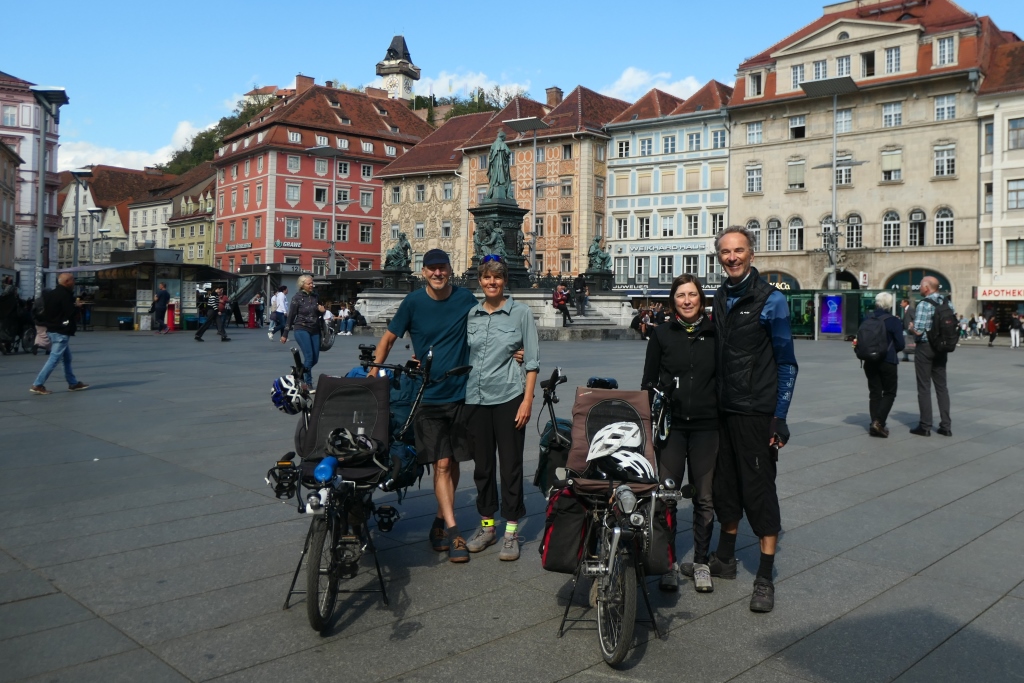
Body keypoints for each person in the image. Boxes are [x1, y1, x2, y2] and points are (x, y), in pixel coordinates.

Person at [687, 225, 797, 614]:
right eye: (725, 252)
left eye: (739, 250)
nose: (732, 257)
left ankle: (765, 577)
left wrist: (778, 418)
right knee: (726, 488)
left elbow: (787, 363)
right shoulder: (719, 297)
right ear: (719, 257)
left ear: (752, 254)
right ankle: (725, 559)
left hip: (755, 413)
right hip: (722, 412)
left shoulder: (770, 300)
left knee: (760, 492)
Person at [368, 249, 479, 563]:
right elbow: (389, 338)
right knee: (442, 464)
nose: (437, 274)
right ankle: (455, 530)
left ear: (449, 269)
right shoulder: (413, 302)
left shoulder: (466, 299)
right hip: (427, 396)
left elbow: (488, 328)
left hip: (461, 393)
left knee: (454, 462)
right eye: (431, 269)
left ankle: (441, 519)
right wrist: (374, 372)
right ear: (423, 272)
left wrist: (517, 350)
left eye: (441, 268)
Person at [642, 274, 718, 594]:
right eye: (680, 295)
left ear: (701, 298)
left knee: (704, 497)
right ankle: (668, 562)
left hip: (707, 426)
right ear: (673, 300)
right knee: (668, 496)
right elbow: (648, 381)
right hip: (671, 427)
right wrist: (651, 421)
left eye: (692, 295)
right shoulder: (662, 334)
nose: (687, 301)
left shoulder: (716, 333)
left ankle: (701, 562)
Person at [462, 255, 539, 562]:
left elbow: (531, 360)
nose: (491, 282)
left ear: (505, 280)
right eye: (486, 277)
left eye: (497, 277)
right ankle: (486, 526)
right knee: (482, 469)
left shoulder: (520, 313)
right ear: (480, 281)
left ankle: (510, 531)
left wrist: (527, 400)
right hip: (475, 399)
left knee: (510, 466)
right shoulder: (473, 314)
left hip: (509, 397)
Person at [907, 276, 952, 437]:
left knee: (924, 387)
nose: (919, 288)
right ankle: (946, 426)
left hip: (925, 348)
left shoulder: (924, 304)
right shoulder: (947, 303)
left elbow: (918, 330)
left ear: (927, 288)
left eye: (920, 285)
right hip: (942, 348)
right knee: (942, 387)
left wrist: (911, 327)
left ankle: (925, 426)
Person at [30, 273, 89, 395]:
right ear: (67, 281)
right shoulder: (65, 295)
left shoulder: (50, 294)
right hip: (61, 331)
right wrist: (78, 307)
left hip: (51, 329)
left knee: (67, 358)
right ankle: (38, 384)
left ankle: (73, 383)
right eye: (73, 280)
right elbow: (70, 313)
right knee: (54, 359)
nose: (74, 282)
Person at [860, 292, 905, 438]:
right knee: (890, 392)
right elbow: (900, 344)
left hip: (869, 360)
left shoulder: (867, 318)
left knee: (874, 393)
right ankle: (878, 422)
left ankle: (875, 423)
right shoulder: (893, 320)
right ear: (889, 304)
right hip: (888, 360)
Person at [280, 275, 325, 388]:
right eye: (309, 283)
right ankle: (307, 383)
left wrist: (322, 311)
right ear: (302, 285)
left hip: (315, 330)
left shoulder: (315, 296)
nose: (312, 285)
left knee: (315, 359)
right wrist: (285, 334)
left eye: (312, 283)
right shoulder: (297, 298)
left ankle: (298, 372)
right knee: (309, 356)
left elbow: (318, 313)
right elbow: (291, 316)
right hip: (301, 328)